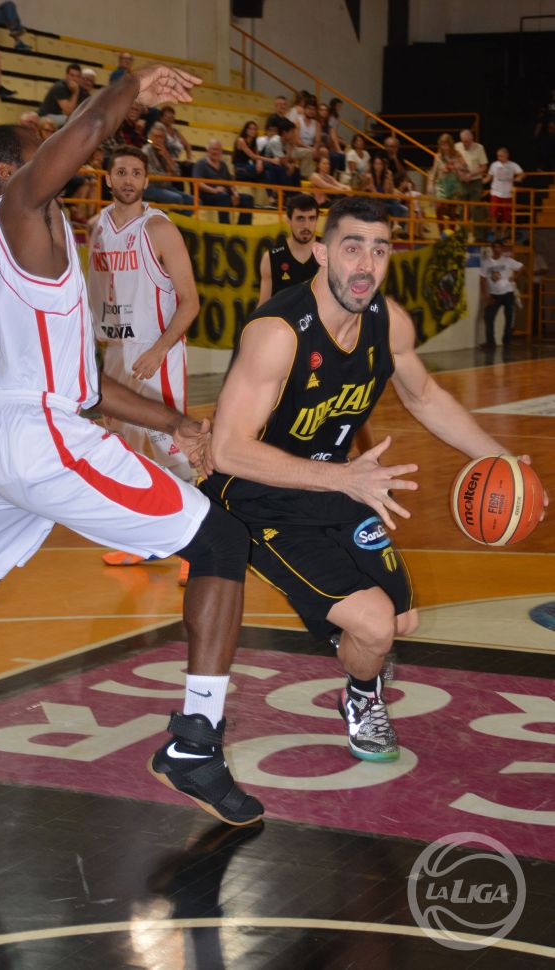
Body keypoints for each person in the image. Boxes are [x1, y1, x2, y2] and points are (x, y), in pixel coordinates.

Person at [0, 64, 264, 829]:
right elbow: (92, 127)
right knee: (221, 541)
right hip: (32, 433)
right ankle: (195, 745)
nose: (54, 147)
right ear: (9, 171)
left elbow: (85, 386)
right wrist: (133, 83)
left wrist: (177, 423)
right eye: (36, 144)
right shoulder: (19, 209)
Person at [201, 195, 545, 762]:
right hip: (262, 500)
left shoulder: (387, 321)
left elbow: (424, 396)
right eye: (352, 247)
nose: (365, 265)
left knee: (401, 620)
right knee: (377, 626)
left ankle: (349, 634)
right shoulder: (279, 331)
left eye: (379, 250)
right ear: (321, 252)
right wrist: (343, 480)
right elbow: (228, 449)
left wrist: (505, 461)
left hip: (344, 483)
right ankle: (361, 696)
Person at [88, 144, 200, 566]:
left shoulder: (159, 229)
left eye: (136, 173)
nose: (128, 180)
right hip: (117, 352)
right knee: (125, 451)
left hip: (157, 352)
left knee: (174, 448)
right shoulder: (96, 228)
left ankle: (197, 549)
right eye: (121, 172)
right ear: (108, 178)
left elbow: (190, 302)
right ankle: (142, 541)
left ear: (147, 181)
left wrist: (159, 350)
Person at [258, 192, 320, 304]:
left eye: (311, 218)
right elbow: (263, 307)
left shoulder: (331, 253)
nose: (306, 225)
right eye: (300, 218)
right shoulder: (272, 258)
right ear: (288, 220)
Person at [193, 139, 253, 225]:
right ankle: (225, 226)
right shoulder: (201, 163)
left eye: (218, 150)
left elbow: (230, 182)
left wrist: (235, 193)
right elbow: (197, 183)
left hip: (224, 195)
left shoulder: (223, 165)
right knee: (223, 197)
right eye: (213, 149)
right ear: (208, 150)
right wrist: (214, 190)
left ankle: (243, 228)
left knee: (248, 199)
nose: (216, 152)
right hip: (207, 195)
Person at [479, 240, 524, 349]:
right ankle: (491, 342)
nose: (497, 249)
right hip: (494, 294)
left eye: (499, 247)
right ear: (492, 249)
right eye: (495, 247)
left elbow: (521, 267)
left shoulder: (507, 260)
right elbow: (482, 279)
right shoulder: (487, 262)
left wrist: (515, 277)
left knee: (509, 317)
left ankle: (507, 341)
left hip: (508, 292)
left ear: (502, 249)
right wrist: (486, 295)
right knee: (489, 317)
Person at [142, 121, 194, 212]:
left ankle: (178, 218)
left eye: (161, 137)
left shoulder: (167, 151)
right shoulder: (145, 152)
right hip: (149, 188)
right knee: (177, 198)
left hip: (166, 187)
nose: (158, 139)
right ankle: (176, 220)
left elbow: (177, 173)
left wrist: (166, 156)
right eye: (156, 136)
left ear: (165, 139)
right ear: (150, 137)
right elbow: (152, 175)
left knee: (195, 201)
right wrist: (169, 175)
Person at [427, 132, 468, 230]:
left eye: (446, 145)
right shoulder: (438, 156)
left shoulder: (457, 154)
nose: (444, 147)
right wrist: (430, 184)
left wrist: (455, 166)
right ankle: (442, 232)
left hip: (453, 184)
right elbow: (434, 171)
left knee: (452, 211)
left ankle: (451, 234)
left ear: (451, 145)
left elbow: (465, 167)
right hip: (441, 184)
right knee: (439, 207)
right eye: (442, 145)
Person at [455, 128, 488, 241]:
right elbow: (454, 163)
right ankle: (461, 236)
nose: (465, 144)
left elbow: (483, 167)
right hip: (461, 182)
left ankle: (479, 237)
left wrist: (471, 175)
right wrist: (460, 175)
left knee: (475, 209)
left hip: (475, 182)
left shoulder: (479, 148)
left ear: (472, 139)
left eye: (467, 141)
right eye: (463, 141)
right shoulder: (457, 147)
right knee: (461, 210)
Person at [483, 146, 524, 229]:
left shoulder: (513, 165)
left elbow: (522, 174)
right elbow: (488, 177)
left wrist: (518, 178)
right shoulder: (494, 165)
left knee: (506, 216)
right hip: (496, 193)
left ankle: (503, 234)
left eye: (501, 156)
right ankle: (493, 231)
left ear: (507, 155)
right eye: (498, 156)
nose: (499, 158)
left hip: (507, 194)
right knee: (493, 213)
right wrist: (481, 181)